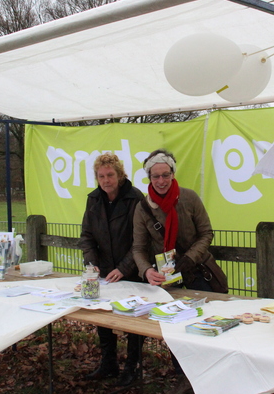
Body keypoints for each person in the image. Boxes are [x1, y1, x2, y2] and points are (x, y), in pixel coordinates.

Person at [131, 149, 216, 394]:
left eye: (165, 175)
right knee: (176, 329)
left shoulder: (189, 198)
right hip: (167, 277)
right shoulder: (142, 208)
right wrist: (146, 270)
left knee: (206, 323)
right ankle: (184, 376)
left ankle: (209, 375)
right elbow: (137, 247)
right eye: (155, 176)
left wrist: (190, 258)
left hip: (198, 270)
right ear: (149, 177)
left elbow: (206, 233)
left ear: (172, 173)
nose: (161, 181)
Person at [78, 152, 145, 387]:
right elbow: (86, 235)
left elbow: (141, 240)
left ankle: (132, 367)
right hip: (104, 271)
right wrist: (91, 263)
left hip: (133, 271)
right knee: (103, 318)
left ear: (120, 175)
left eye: (110, 175)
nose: (106, 180)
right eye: (101, 176)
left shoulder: (135, 198)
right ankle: (108, 364)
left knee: (134, 323)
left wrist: (124, 268)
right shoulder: (93, 199)